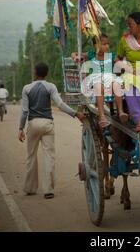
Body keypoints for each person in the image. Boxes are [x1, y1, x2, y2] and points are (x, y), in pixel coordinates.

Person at [18, 62, 85, 199]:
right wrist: (75, 114)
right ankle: (48, 190)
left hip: (32, 123)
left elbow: (25, 111)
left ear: (35, 73)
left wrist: (20, 128)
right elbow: (60, 104)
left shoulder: (27, 88)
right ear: (46, 74)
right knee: (49, 156)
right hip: (47, 124)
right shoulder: (51, 87)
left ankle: (30, 188)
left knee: (31, 156)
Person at [71, 34, 129, 129]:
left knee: (117, 83)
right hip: (96, 81)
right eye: (104, 44)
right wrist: (75, 57)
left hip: (109, 80)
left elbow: (120, 63)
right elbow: (74, 53)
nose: (107, 46)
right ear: (96, 46)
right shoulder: (91, 54)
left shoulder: (111, 56)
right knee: (98, 86)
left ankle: (121, 112)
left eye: (108, 44)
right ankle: (102, 116)